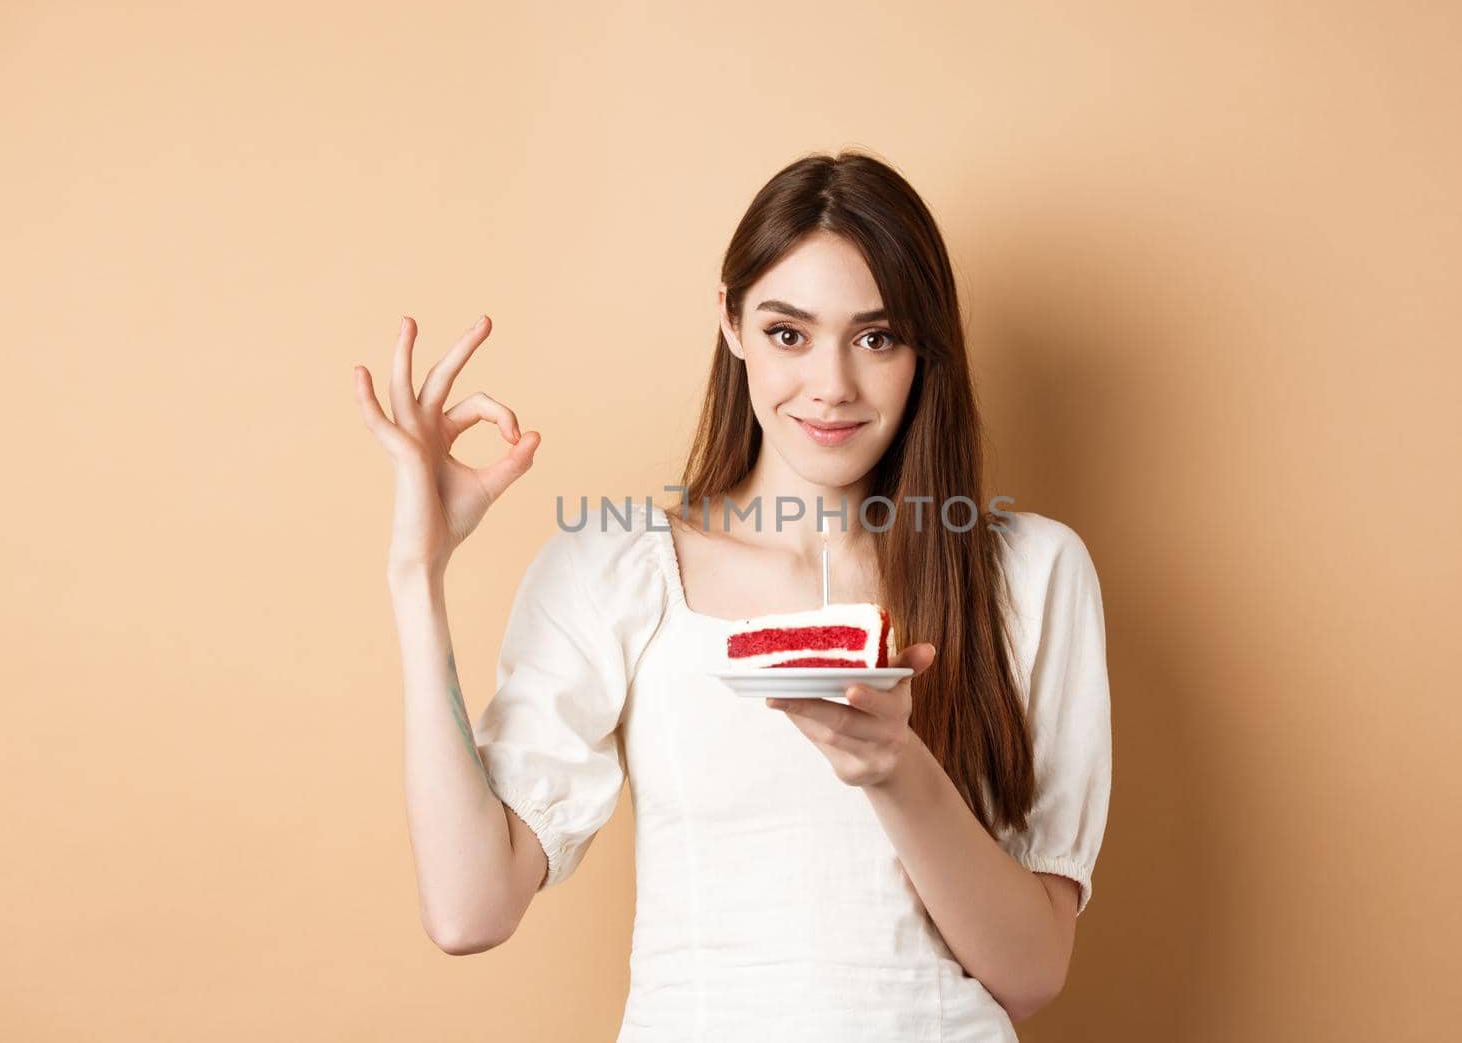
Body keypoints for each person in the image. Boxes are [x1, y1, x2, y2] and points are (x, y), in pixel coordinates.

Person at [354, 150, 1112, 1041]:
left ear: (924, 346)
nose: (831, 384)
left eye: (877, 336)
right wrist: (419, 573)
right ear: (732, 323)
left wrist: (897, 769)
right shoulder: (616, 566)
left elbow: (1030, 974)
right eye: (789, 332)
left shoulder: (1029, 573)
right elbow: (467, 910)